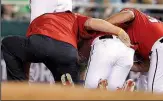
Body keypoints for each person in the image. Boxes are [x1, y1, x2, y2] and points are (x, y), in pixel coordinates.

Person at [1, 11, 130, 83]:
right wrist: (119, 31)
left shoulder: (39, 20)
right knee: (68, 86)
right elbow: (92, 22)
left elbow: (25, 57)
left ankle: (18, 89)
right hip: (67, 52)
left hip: (40, 44)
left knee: (8, 44)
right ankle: (92, 90)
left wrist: (25, 79)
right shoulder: (74, 17)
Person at [105, 8, 163, 95]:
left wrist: (102, 25)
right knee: (144, 80)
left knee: (155, 94)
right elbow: (144, 66)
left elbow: (129, 14)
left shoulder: (128, 17)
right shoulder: (130, 38)